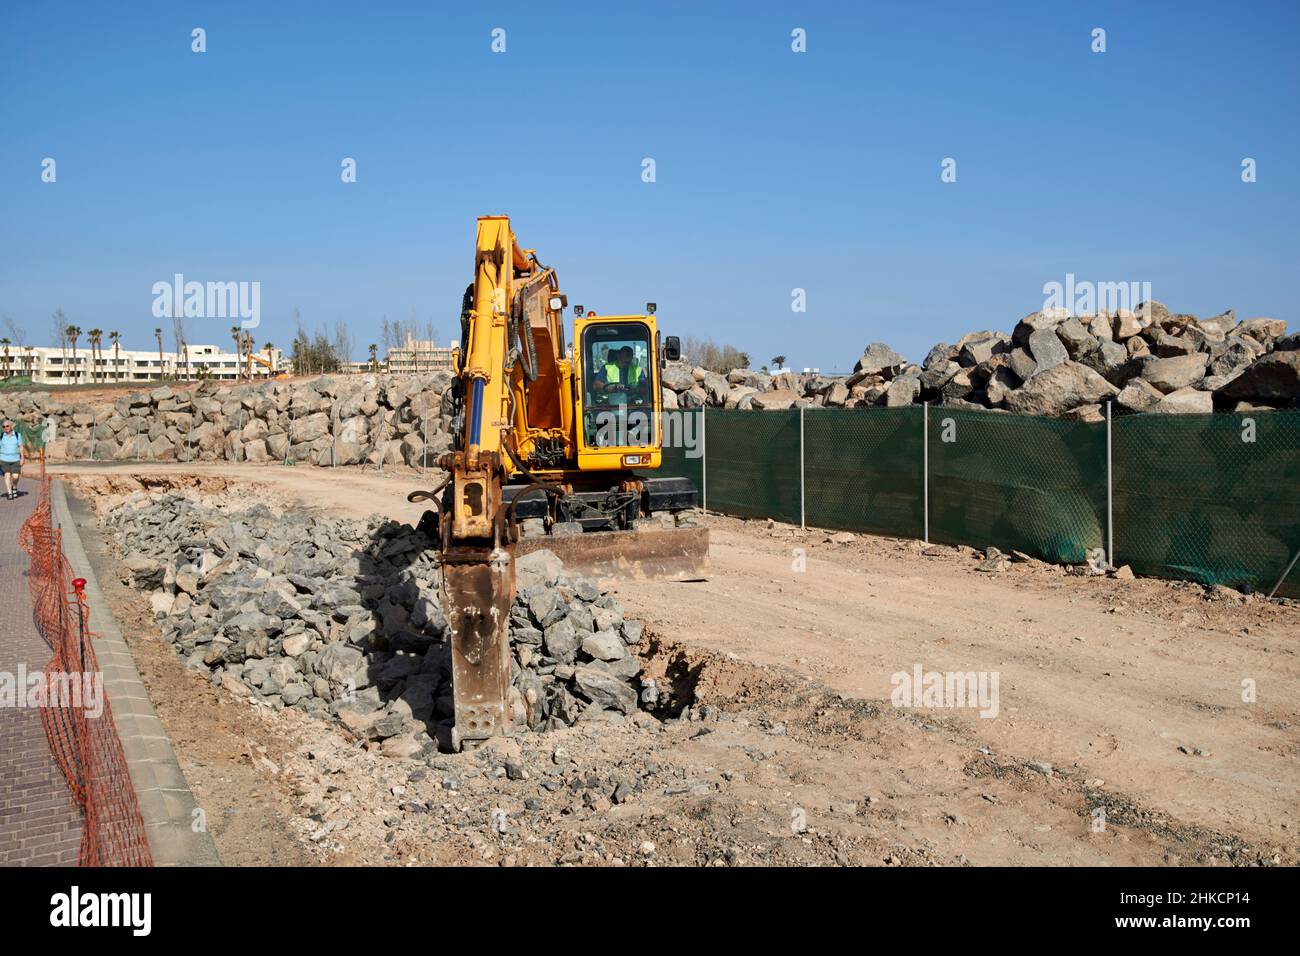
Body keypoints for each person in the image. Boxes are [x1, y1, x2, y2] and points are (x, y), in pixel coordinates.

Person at [0, 420, 23, 500]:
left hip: (15, 459)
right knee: (7, 475)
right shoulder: (1, 436)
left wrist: (22, 458)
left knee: (15, 476)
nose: (5, 428)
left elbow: (20, 447)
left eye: (7, 426)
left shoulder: (17, 435)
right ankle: (10, 493)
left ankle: (14, 487)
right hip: (4, 459)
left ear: (11, 426)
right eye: (3, 426)